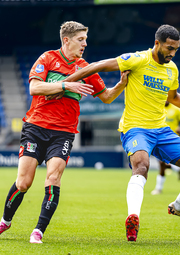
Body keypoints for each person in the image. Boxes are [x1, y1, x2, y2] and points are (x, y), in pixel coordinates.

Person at [62, 24, 180, 242]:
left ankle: (179, 206)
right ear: (157, 43)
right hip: (135, 128)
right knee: (142, 166)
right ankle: (133, 218)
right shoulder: (137, 59)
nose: (172, 53)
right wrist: (66, 82)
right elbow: (98, 65)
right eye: (169, 48)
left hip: (162, 130)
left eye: (176, 49)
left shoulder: (171, 69)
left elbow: (173, 98)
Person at [0, 21, 129, 244]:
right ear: (66, 40)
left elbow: (106, 97)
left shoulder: (85, 67)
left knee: (53, 178)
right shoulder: (48, 58)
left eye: (85, 40)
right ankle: (5, 220)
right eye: (81, 40)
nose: (85, 44)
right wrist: (67, 85)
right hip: (35, 127)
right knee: (23, 183)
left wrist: (121, 84)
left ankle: (38, 230)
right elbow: (35, 88)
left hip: (63, 133)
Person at [151, 101, 180, 195]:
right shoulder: (157, 108)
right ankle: (176, 168)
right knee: (162, 163)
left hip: (172, 140)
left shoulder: (176, 109)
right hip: (159, 139)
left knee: (161, 163)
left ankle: (158, 188)